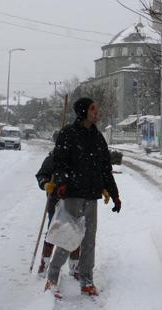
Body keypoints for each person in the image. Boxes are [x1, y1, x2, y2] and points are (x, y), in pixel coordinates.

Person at [40, 97, 121, 299]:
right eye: (93, 109)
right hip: (73, 195)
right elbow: (59, 163)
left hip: (91, 197)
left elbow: (105, 169)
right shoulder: (68, 134)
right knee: (69, 237)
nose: (97, 112)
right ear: (83, 111)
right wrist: (62, 183)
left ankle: (86, 281)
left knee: (89, 240)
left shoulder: (98, 137)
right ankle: (52, 279)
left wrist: (114, 193)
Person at [34, 152, 81, 278]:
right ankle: (44, 264)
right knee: (52, 231)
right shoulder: (53, 158)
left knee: (75, 233)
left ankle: (75, 266)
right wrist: (45, 184)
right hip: (55, 202)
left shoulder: (78, 157)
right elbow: (41, 175)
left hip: (75, 201)